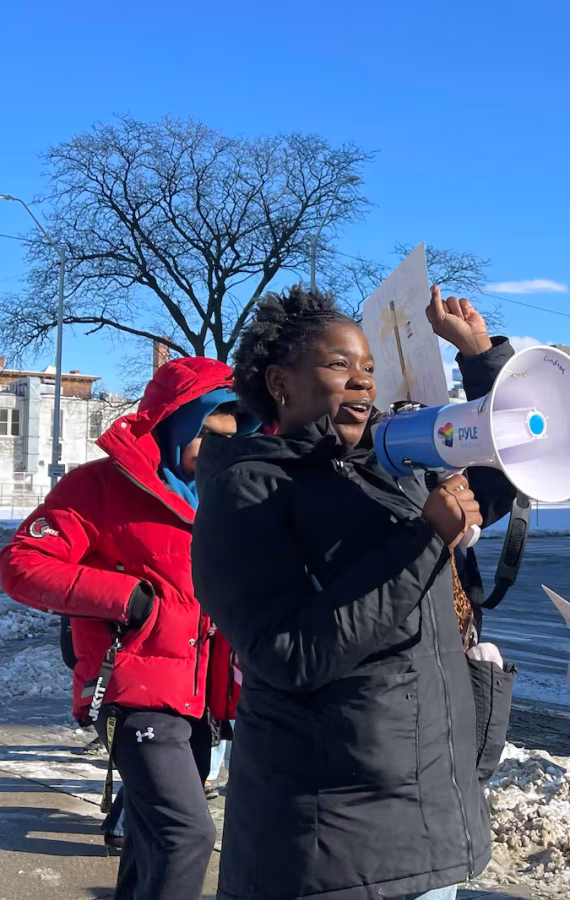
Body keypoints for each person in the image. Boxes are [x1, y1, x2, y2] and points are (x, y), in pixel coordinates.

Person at [191, 284, 516, 900]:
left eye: (369, 367)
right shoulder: (249, 489)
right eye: (340, 365)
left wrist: (480, 359)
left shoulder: (388, 471)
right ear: (280, 382)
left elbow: (494, 487)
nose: (364, 382)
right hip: (329, 851)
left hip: (425, 828)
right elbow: (290, 652)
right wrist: (426, 541)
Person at [0, 357, 254, 899]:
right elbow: (21, 565)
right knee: (185, 835)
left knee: (148, 836)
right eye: (211, 434)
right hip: (132, 689)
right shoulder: (96, 487)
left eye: (236, 437)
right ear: (178, 421)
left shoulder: (228, 497)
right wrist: (129, 599)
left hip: (200, 700)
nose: (223, 451)